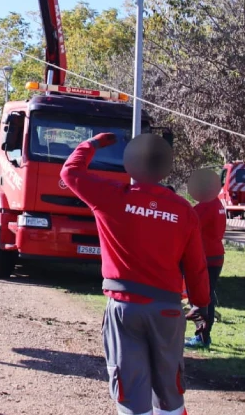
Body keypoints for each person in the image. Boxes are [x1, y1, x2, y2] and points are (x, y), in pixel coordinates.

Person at [61, 132, 209, 415]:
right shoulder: (184, 211)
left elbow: (70, 172)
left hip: (124, 308)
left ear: (130, 165)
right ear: (165, 166)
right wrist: (200, 301)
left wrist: (90, 144)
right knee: (170, 390)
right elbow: (196, 265)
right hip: (167, 311)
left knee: (129, 387)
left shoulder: (111, 197)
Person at [184, 168, 227, 349]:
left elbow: (187, 228)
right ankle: (204, 335)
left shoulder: (204, 207)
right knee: (207, 297)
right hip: (216, 255)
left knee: (200, 299)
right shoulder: (218, 204)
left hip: (204, 257)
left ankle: (202, 337)